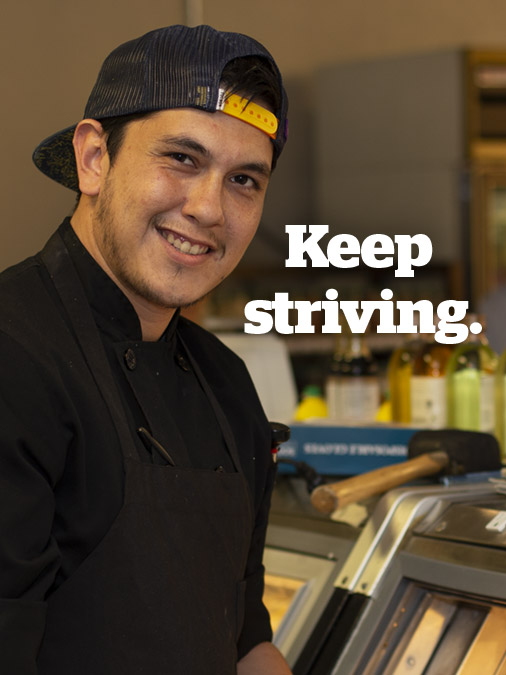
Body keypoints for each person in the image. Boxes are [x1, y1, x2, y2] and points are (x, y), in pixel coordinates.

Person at [0, 24, 292, 674]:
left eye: (244, 179)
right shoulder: (14, 355)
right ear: (94, 158)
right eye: (182, 159)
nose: (209, 207)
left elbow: (245, 643)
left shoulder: (227, 385)